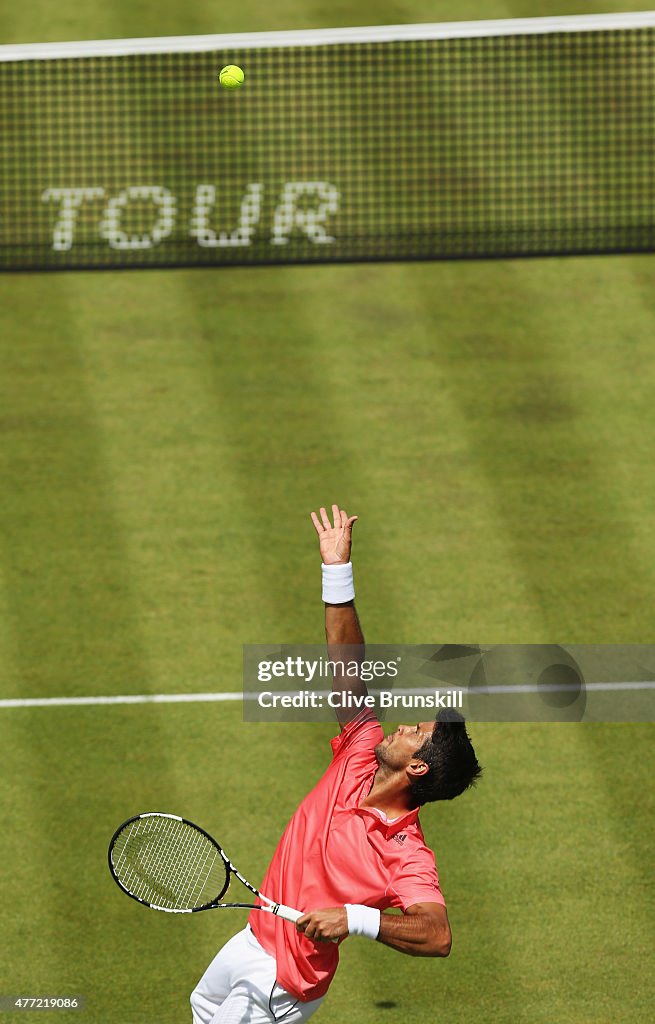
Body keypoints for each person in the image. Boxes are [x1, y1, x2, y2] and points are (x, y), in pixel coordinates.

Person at [191, 505, 482, 1024]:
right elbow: (347, 662)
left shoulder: (406, 856)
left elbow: (438, 936)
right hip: (251, 940)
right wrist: (336, 571)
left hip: (281, 978)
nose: (402, 727)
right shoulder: (359, 748)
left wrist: (356, 919)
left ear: (417, 768)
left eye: (415, 734)